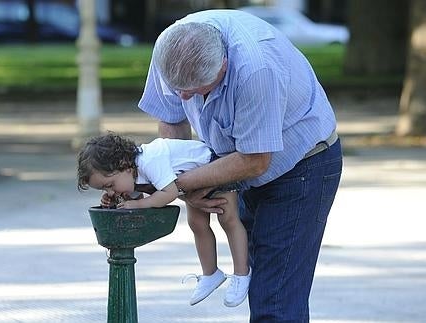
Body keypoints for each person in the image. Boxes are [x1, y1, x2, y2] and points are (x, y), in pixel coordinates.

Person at [138, 9, 343, 322]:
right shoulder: (171, 46)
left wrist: (182, 185)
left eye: (194, 91)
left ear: (222, 66)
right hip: (234, 162)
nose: (183, 96)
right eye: (178, 88)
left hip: (302, 166)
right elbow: (171, 123)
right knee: (262, 285)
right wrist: (183, 179)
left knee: (274, 301)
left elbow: (256, 160)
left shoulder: (255, 69)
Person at [77, 132, 251, 307]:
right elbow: (137, 200)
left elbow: (169, 193)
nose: (110, 192)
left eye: (109, 186)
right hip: (192, 182)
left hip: (212, 167)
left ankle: (242, 273)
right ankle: (211, 273)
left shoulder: (150, 161)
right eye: (104, 190)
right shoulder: (131, 175)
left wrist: (138, 205)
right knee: (197, 224)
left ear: (124, 166)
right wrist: (115, 201)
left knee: (228, 220)